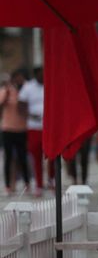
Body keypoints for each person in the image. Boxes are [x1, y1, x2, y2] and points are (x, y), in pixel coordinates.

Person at [19, 66, 51, 196]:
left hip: (49, 127)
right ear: (36, 74)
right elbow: (21, 106)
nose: (43, 77)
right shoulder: (28, 87)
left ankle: (52, 180)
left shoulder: (50, 84)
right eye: (41, 75)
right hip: (34, 127)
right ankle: (39, 185)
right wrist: (31, 116)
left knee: (53, 155)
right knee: (36, 156)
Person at [1, 69, 28, 195]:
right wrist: (6, 92)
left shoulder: (25, 90)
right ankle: (8, 185)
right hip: (8, 129)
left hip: (22, 129)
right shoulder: (6, 91)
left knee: (23, 157)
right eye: (16, 78)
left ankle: (27, 184)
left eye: (20, 78)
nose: (18, 80)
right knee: (8, 157)